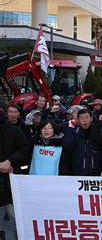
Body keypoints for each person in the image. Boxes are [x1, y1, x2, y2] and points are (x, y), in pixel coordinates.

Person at [0, 102, 30, 240]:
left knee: (14, 218)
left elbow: (24, 149)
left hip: (10, 182)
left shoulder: (14, 130)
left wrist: (10, 160)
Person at [63, 109, 102, 176]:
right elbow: (67, 145)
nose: (84, 120)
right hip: (77, 174)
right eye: (81, 118)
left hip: (96, 174)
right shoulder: (74, 133)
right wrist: (70, 129)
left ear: (91, 118)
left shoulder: (99, 132)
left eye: (86, 117)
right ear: (78, 120)